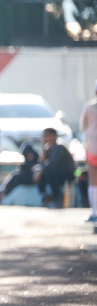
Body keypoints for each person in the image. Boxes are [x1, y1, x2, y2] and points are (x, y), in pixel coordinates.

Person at [38, 128, 76, 207]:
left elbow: (51, 163)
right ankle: (45, 196)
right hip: (56, 174)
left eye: (46, 136)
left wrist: (40, 170)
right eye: (43, 136)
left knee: (47, 171)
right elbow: (41, 162)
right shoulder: (48, 149)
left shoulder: (60, 148)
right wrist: (43, 147)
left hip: (69, 174)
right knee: (42, 173)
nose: (44, 138)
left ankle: (58, 197)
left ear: (53, 136)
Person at [79, 81, 97, 221]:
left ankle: (95, 212)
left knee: (93, 181)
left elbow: (82, 126)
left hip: (92, 147)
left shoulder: (89, 107)